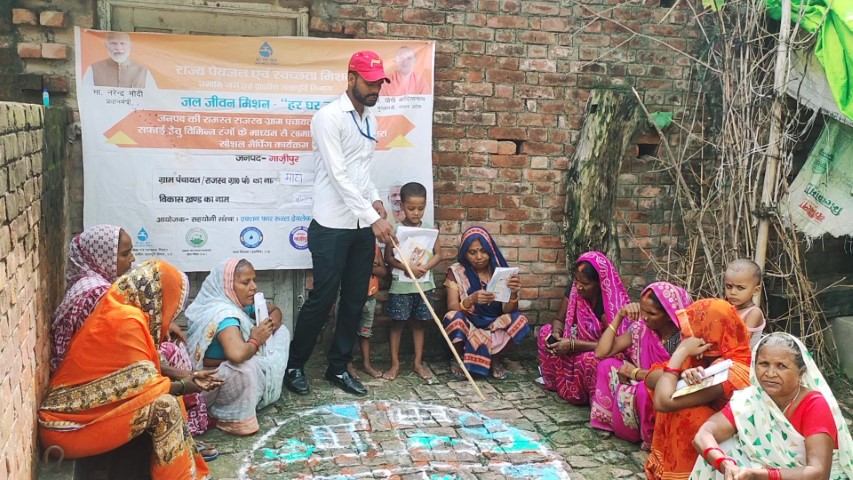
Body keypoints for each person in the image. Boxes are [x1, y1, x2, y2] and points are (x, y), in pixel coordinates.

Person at [39, 260, 219, 480]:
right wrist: (185, 386)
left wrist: (186, 376)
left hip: (83, 419)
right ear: (156, 297)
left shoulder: (119, 307)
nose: (169, 317)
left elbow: (141, 369)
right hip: (68, 428)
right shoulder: (126, 320)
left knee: (164, 398)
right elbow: (144, 387)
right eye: (171, 308)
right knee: (165, 408)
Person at [284, 50, 395, 397]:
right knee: (323, 299)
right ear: (350, 78)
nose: (375, 89)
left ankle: (338, 367)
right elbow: (338, 176)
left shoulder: (370, 119)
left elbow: (362, 173)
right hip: (331, 226)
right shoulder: (328, 117)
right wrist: (373, 218)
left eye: (379, 83)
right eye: (369, 82)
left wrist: (375, 199)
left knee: (355, 300)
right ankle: (294, 365)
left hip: (360, 227)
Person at [48, 225, 213, 447]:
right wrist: (184, 382)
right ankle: (186, 432)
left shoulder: (93, 283)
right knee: (169, 371)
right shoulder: (99, 295)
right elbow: (132, 373)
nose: (132, 259)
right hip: (80, 399)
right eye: (125, 254)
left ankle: (183, 440)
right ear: (102, 257)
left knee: (163, 360)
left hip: (84, 382)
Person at [690, 332, 853, 480]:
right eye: (764, 364)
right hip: (761, 474)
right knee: (723, 448)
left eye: (781, 366)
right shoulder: (750, 400)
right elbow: (704, 434)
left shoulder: (814, 405)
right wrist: (725, 464)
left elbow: (818, 473)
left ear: (801, 373)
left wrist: (759, 475)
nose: (770, 373)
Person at [644, 298, 753, 480]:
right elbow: (651, 377)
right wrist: (681, 373)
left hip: (727, 443)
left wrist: (680, 353)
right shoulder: (704, 357)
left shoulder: (733, 370)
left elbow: (663, 402)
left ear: (710, 334)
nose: (687, 336)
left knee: (689, 413)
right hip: (711, 438)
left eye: (694, 330)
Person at [186, 258, 289, 436]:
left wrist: (270, 325)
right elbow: (237, 355)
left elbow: (275, 310)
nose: (253, 287)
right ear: (227, 286)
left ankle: (253, 395)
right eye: (245, 282)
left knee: (282, 332)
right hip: (210, 383)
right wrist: (256, 339)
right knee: (244, 367)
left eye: (254, 280)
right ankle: (230, 418)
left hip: (225, 371)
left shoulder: (238, 305)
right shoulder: (226, 315)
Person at [590, 281, 693, 449]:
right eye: (642, 311)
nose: (644, 317)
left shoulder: (681, 339)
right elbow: (601, 352)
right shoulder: (642, 328)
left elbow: (672, 375)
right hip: (639, 379)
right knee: (606, 365)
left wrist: (635, 373)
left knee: (646, 390)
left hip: (665, 389)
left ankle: (651, 438)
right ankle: (607, 422)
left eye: (651, 313)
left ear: (669, 314)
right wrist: (619, 316)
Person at [537, 251, 631, 404]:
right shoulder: (574, 290)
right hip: (573, 342)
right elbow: (559, 319)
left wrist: (573, 345)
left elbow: (615, 346)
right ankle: (558, 384)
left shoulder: (608, 305)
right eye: (576, 280)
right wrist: (556, 333)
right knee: (545, 332)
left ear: (599, 283)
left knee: (590, 360)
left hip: (601, 350)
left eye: (585, 283)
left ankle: (594, 399)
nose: (579, 287)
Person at [442, 226, 529, 380]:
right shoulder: (456, 272)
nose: (479, 257)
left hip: (493, 324)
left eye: (483, 251)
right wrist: (471, 300)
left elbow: (508, 309)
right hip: (469, 323)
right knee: (452, 317)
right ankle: (458, 357)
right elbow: (452, 306)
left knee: (519, 320)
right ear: (465, 253)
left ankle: (495, 358)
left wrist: (513, 293)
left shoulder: (499, 272)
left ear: (490, 250)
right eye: (472, 252)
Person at [383, 182, 442, 380]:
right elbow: (388, 258)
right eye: (411, 208)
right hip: (401, 286)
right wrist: (407, 268)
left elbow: (439, 254)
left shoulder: (429, 230)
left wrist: (424, 267)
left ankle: (417, 363)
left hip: (424, 285)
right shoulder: (395, 230)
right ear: (402, 206)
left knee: (419, 324)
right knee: (397, 324)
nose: (416, 213)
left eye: (420, 208)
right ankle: (394, 364)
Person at [345, 243, 387, 379]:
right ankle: (347, 364)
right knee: (347, 332)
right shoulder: (348, 246)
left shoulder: (375, 248)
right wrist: (368, 265)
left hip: (370, 297)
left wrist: (368, 266)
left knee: (365, 332)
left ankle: (367, 365)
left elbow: (383, 271)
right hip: (350, 296)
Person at [84, 32, 155, 88]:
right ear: (106, 45)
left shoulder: (143, 71)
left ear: (130, 45)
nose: (118, 48)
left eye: (122, 43)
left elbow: (153, 98)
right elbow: (85, 96)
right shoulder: (93, 69)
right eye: (113, 43)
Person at [724, 258, 766, 350]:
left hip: (742, 357)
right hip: (726, 354)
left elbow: (741, 342)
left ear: (756, 290)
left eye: (740, 288)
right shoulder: (727, 308)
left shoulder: (753, 313)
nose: (733, 292)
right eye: (729, 286)